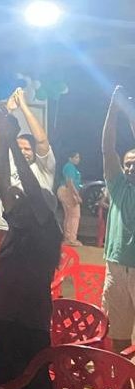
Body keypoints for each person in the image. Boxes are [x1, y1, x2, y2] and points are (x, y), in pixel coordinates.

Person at [0, 105, 60, 389]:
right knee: (7, 387)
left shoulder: (47, 230)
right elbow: (3, 181)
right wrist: (4, 140)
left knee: (37, 387)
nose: (14, 198)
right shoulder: (18, 222)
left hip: (29, 321)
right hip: (3, 316)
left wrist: (13, 143)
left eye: (24, 199)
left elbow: (29, 185)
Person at [0, 88, 57, 245]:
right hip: (6, 226)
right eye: (19, 148)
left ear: (35, 151)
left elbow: (42, 141)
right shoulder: (10, 161)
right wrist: (8, 111)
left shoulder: (44, 167)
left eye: (27, 149)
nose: (22, 152)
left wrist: (24, 107)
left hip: (34, 228)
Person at [100, 85, 135, 353]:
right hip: (115, 267)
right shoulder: (118, 186)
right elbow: (107, 148)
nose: (131, 167)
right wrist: (113, 109)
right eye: (128, 164)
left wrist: (130, 113)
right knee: (118, 332)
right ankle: (121, 377)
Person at [57, 150, 83, 246]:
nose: (78, 159)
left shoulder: (70, 167)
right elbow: (69, 182)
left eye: (78, 157)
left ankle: (68, 238)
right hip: (68, 190)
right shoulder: (70, 167)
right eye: (76, 157)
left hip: (66, 190)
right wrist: (76, 195)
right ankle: (72, 239)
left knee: (69, 216)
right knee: (75, 215)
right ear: (70, 158)